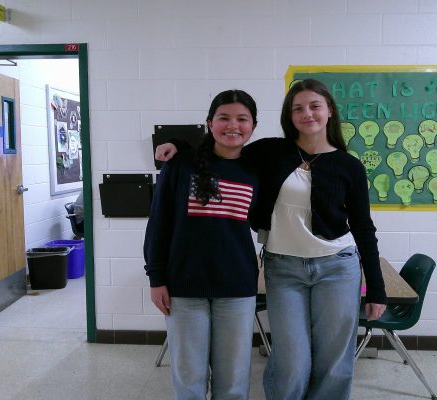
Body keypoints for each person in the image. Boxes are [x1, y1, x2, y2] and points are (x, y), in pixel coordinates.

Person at [156, 79, 387, 400]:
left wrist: (376, 287)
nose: (307, 114)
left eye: (315, 106)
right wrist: (177, 143)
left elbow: (364, 227)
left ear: (330, 111)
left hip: (337, 266)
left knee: (334, 362)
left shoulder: (349, 166)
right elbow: (222, 149)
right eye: (298, 108)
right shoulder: (271, 152)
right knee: (291, 361)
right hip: (284, 266)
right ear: (288, 116)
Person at [144, 89, 260, 400]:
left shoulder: (256, 170)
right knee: (189, 379)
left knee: (234, 381)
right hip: (184, 286)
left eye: (242, 119)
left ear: (253, 126)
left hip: (237, 288)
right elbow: (158, 225)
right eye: (224, 118)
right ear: (210, 123)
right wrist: (156, 278)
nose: (232, 125)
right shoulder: (181, 164)